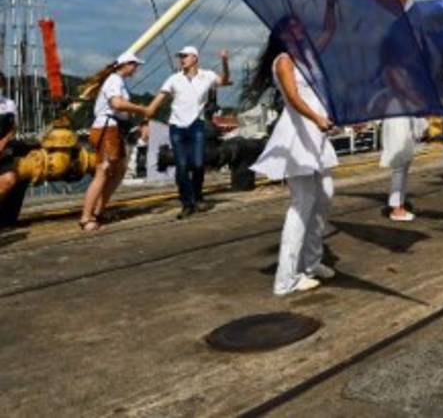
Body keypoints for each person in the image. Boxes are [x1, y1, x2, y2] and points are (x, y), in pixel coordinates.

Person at [247, 22, 338, 296]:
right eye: (297, 29)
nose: (303, 32)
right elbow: (293, 97)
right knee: (302, 204)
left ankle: (311, 262)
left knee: (324, 197)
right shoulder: (284, 60)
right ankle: (285, 279)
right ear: (285, 36)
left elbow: (327, 33)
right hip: (299, 132)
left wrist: (331, 6)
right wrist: (318, 118)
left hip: (316, 133)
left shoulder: (305, 59)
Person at [145, 46, 231, 219]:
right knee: (182, 165)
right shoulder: (173, 79)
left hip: (196, 125)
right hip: (176, 126)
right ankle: (187, 203)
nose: (181, 59)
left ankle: (197, 196)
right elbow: (158, 100)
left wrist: (224, 62)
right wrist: (146, 117)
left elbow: (224, 80)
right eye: (180, 56)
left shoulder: (207, 76)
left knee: (199, 163)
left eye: (185, 56)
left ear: (195, 58)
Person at [80, 53, 147, 232]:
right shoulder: (114, 80)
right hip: (107, 127)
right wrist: (141, 108)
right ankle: (87, 217)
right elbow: (116, 104)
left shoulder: (118, 81)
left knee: (119, 169)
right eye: (134, 65)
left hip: (114, 128)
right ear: (125, 65)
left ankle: (98, 210)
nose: (135, 68)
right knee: (104, 170)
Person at [381, 116, 424, 221]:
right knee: (399, 170)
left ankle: (400, 203)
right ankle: (396, 208)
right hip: (398, 128)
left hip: (405, 129)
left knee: (404, 168)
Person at [0, 76, 18, 213]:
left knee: (9, 180)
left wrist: (3, 142)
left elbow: (12, 129)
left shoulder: (9, 104)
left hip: (3, 148)